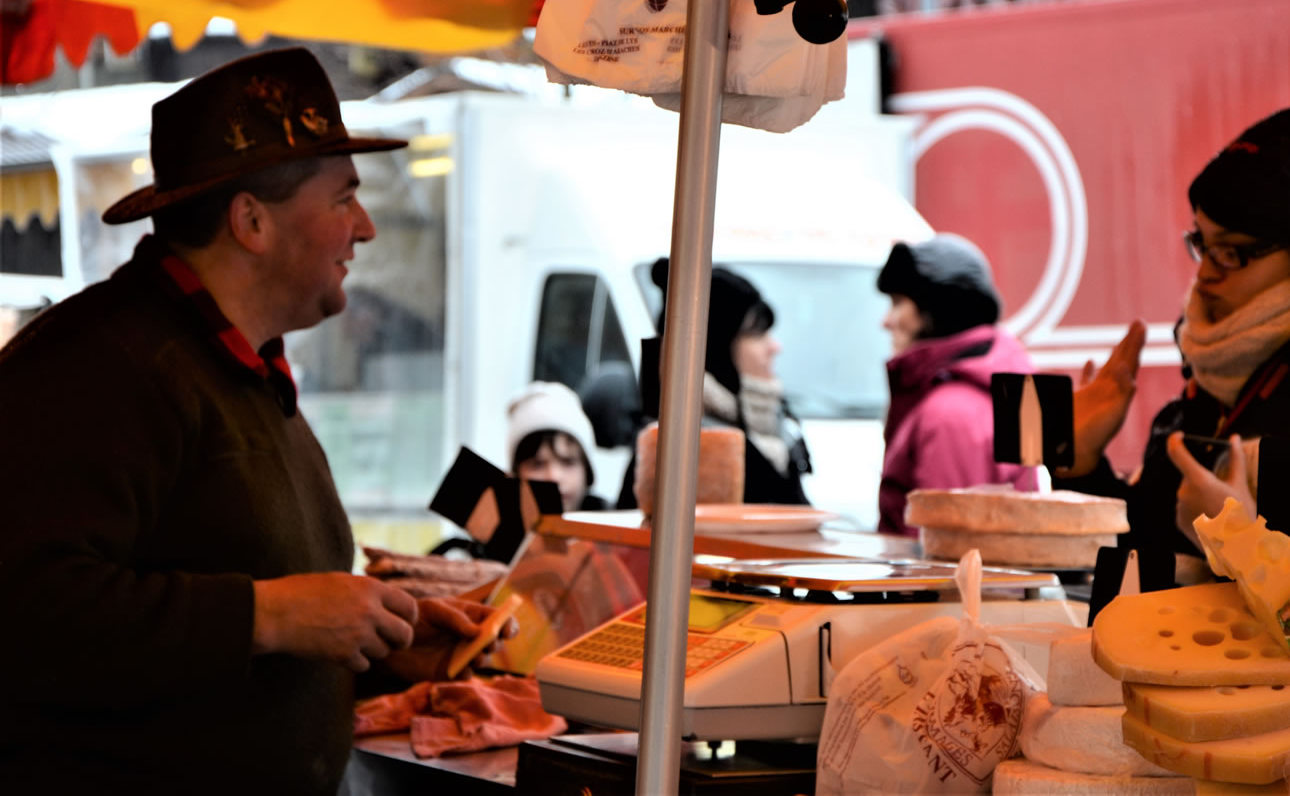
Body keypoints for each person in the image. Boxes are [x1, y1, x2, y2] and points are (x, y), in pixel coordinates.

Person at [0, 48, 504, 793]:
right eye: (342, 199)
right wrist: (270, 614)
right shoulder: (104, 365)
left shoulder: (239, 368)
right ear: (252, 222)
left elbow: (228, 627)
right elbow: (25, 610)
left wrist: (373, 643)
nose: (363, 228)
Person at [1063, 103, 1290, 561]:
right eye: (1202, 244)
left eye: (1233, 252)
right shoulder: (1208, 398)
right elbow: (1138, 581)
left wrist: (1248, 552)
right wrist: (1079, 467)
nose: (1204, 277)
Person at [875, 234, 1040, 535]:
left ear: (935, 310)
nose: (885, 321)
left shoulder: (951, 414)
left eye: (899, 303)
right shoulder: (960, 397)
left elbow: (950, 556)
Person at [616, 259, 812, 507]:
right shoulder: (676, 445)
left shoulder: (779, 429)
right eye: (756, 333)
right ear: (715, 347)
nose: (774, 346)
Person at [508, 381, 607, 511]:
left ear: (587, 473)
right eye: (537, 464)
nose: (554, 476)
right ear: (515, 474)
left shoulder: (622, 526)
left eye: (568, 462)